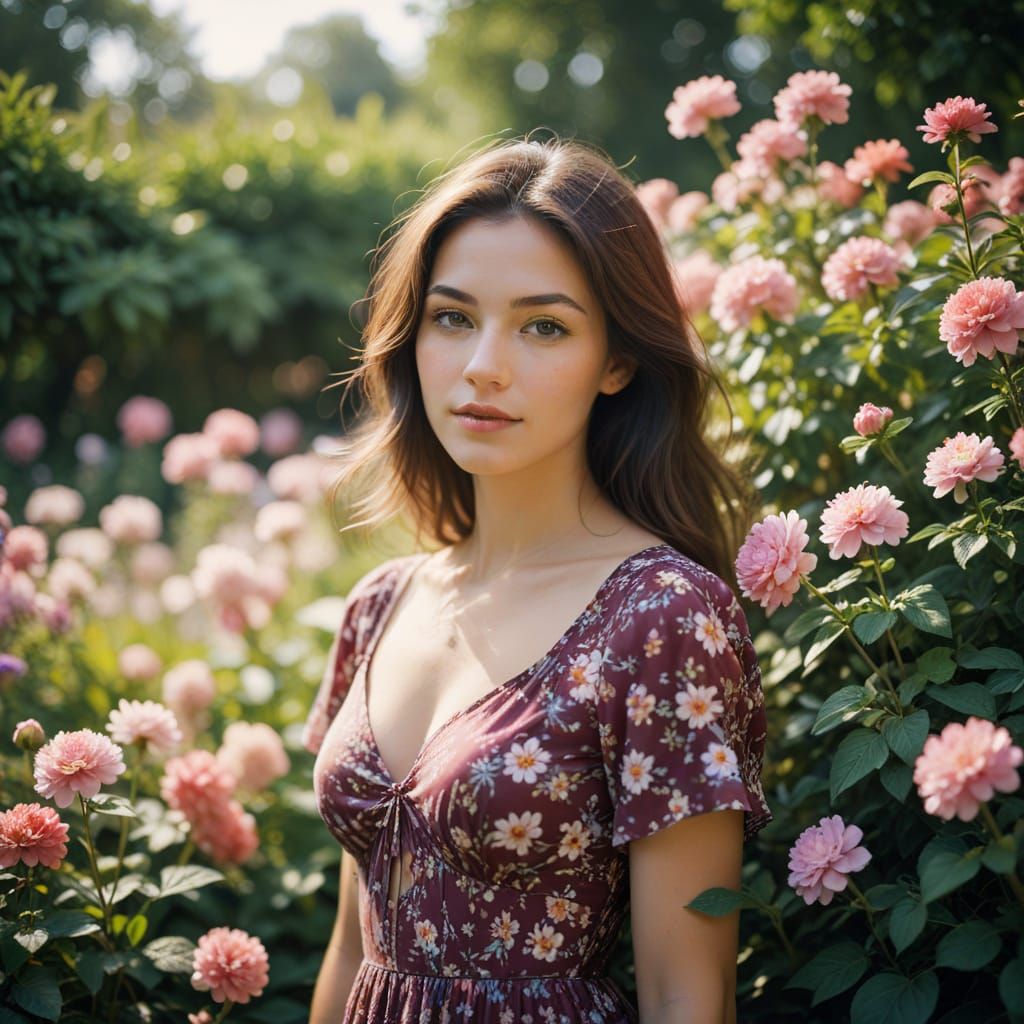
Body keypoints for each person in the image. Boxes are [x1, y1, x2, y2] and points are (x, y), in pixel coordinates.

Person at [304, 132, 773, 1024]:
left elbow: (688, 995)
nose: (484, 363)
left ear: (619, 361)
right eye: (452, 317)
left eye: (543, 325)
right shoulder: (380, 606)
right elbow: (350, 948)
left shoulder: (663, 617)